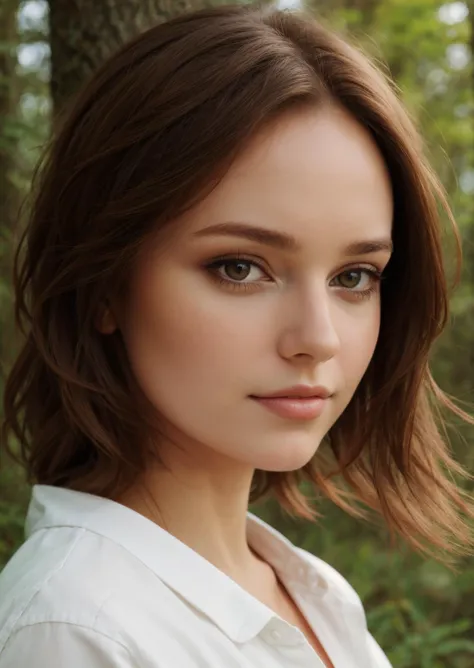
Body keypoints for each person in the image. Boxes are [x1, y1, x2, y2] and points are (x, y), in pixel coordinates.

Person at [0, 4, 472, 667]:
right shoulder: (76, 628)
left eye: (355, 276)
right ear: (104, 284)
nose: (318, 338)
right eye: (240, 268)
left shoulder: (313, 591)